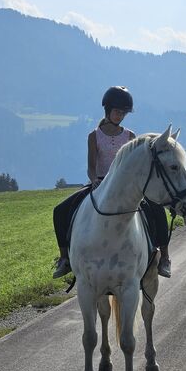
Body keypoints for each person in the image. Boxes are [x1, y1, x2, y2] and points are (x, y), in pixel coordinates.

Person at [52, 86, 171, 278]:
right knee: (60, 211)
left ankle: (164, 257)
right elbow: (91, 166)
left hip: (126, 186)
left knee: (157, 209)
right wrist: (93, 180)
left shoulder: (130, 136)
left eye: (123, 113)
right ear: (107, 110)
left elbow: (135, 166)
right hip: (99, 184)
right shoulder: (94, 136)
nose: (120, 116)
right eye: (117, 112)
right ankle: (64, 258)